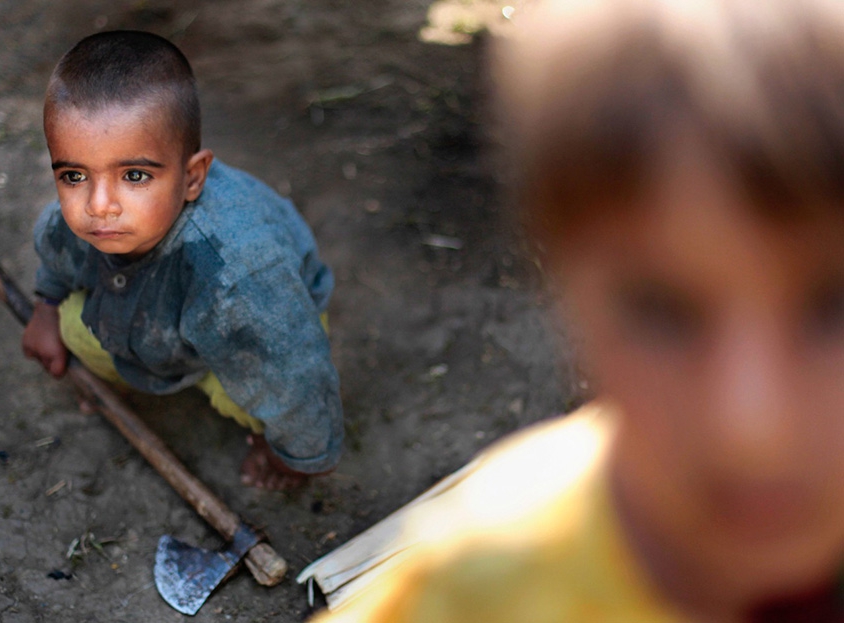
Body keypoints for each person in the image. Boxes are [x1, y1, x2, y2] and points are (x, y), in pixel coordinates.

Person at [313, 0, 844, 619]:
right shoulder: (472, 591)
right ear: (559, 292)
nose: (753, 430)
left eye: (832, 303)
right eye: (662, 312)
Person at [21, 30, 343, 491]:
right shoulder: (89, 221)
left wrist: (302, 454)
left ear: (192, 178)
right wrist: (44, 308)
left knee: (268, 392)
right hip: (168, 323)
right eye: (74, 175)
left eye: (134, 175)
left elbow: (295, 374)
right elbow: (56, 254)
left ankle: (265, 431)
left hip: (263, 333)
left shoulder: (239, 274)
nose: (100, 204)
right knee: (75, 328)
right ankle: (150, 370)